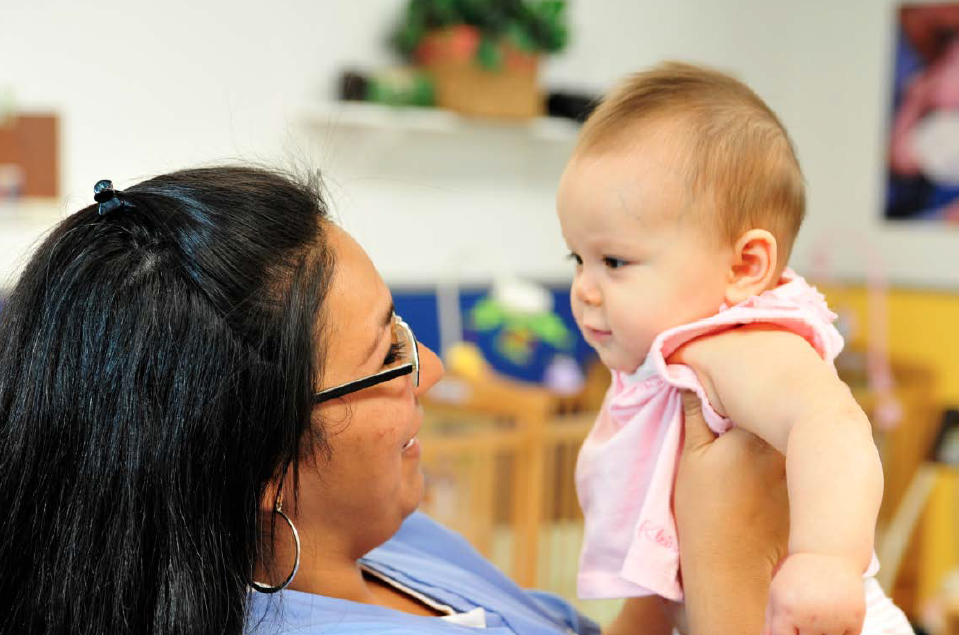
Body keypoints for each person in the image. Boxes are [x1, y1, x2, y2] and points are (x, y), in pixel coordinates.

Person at [0, 165, 785, 635]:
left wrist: (668, 553)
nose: (435, 368)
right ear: (264, 466)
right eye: (388, 353)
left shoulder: (395, 545)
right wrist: (729, 567)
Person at [557, 62, 915, 635]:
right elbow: (661, 589)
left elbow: (832, 424)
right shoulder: (669, 370)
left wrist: (826, 559)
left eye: (615, 261)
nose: (584, 288)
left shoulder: (738, 343)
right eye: (577, 259)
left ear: (745, 266)